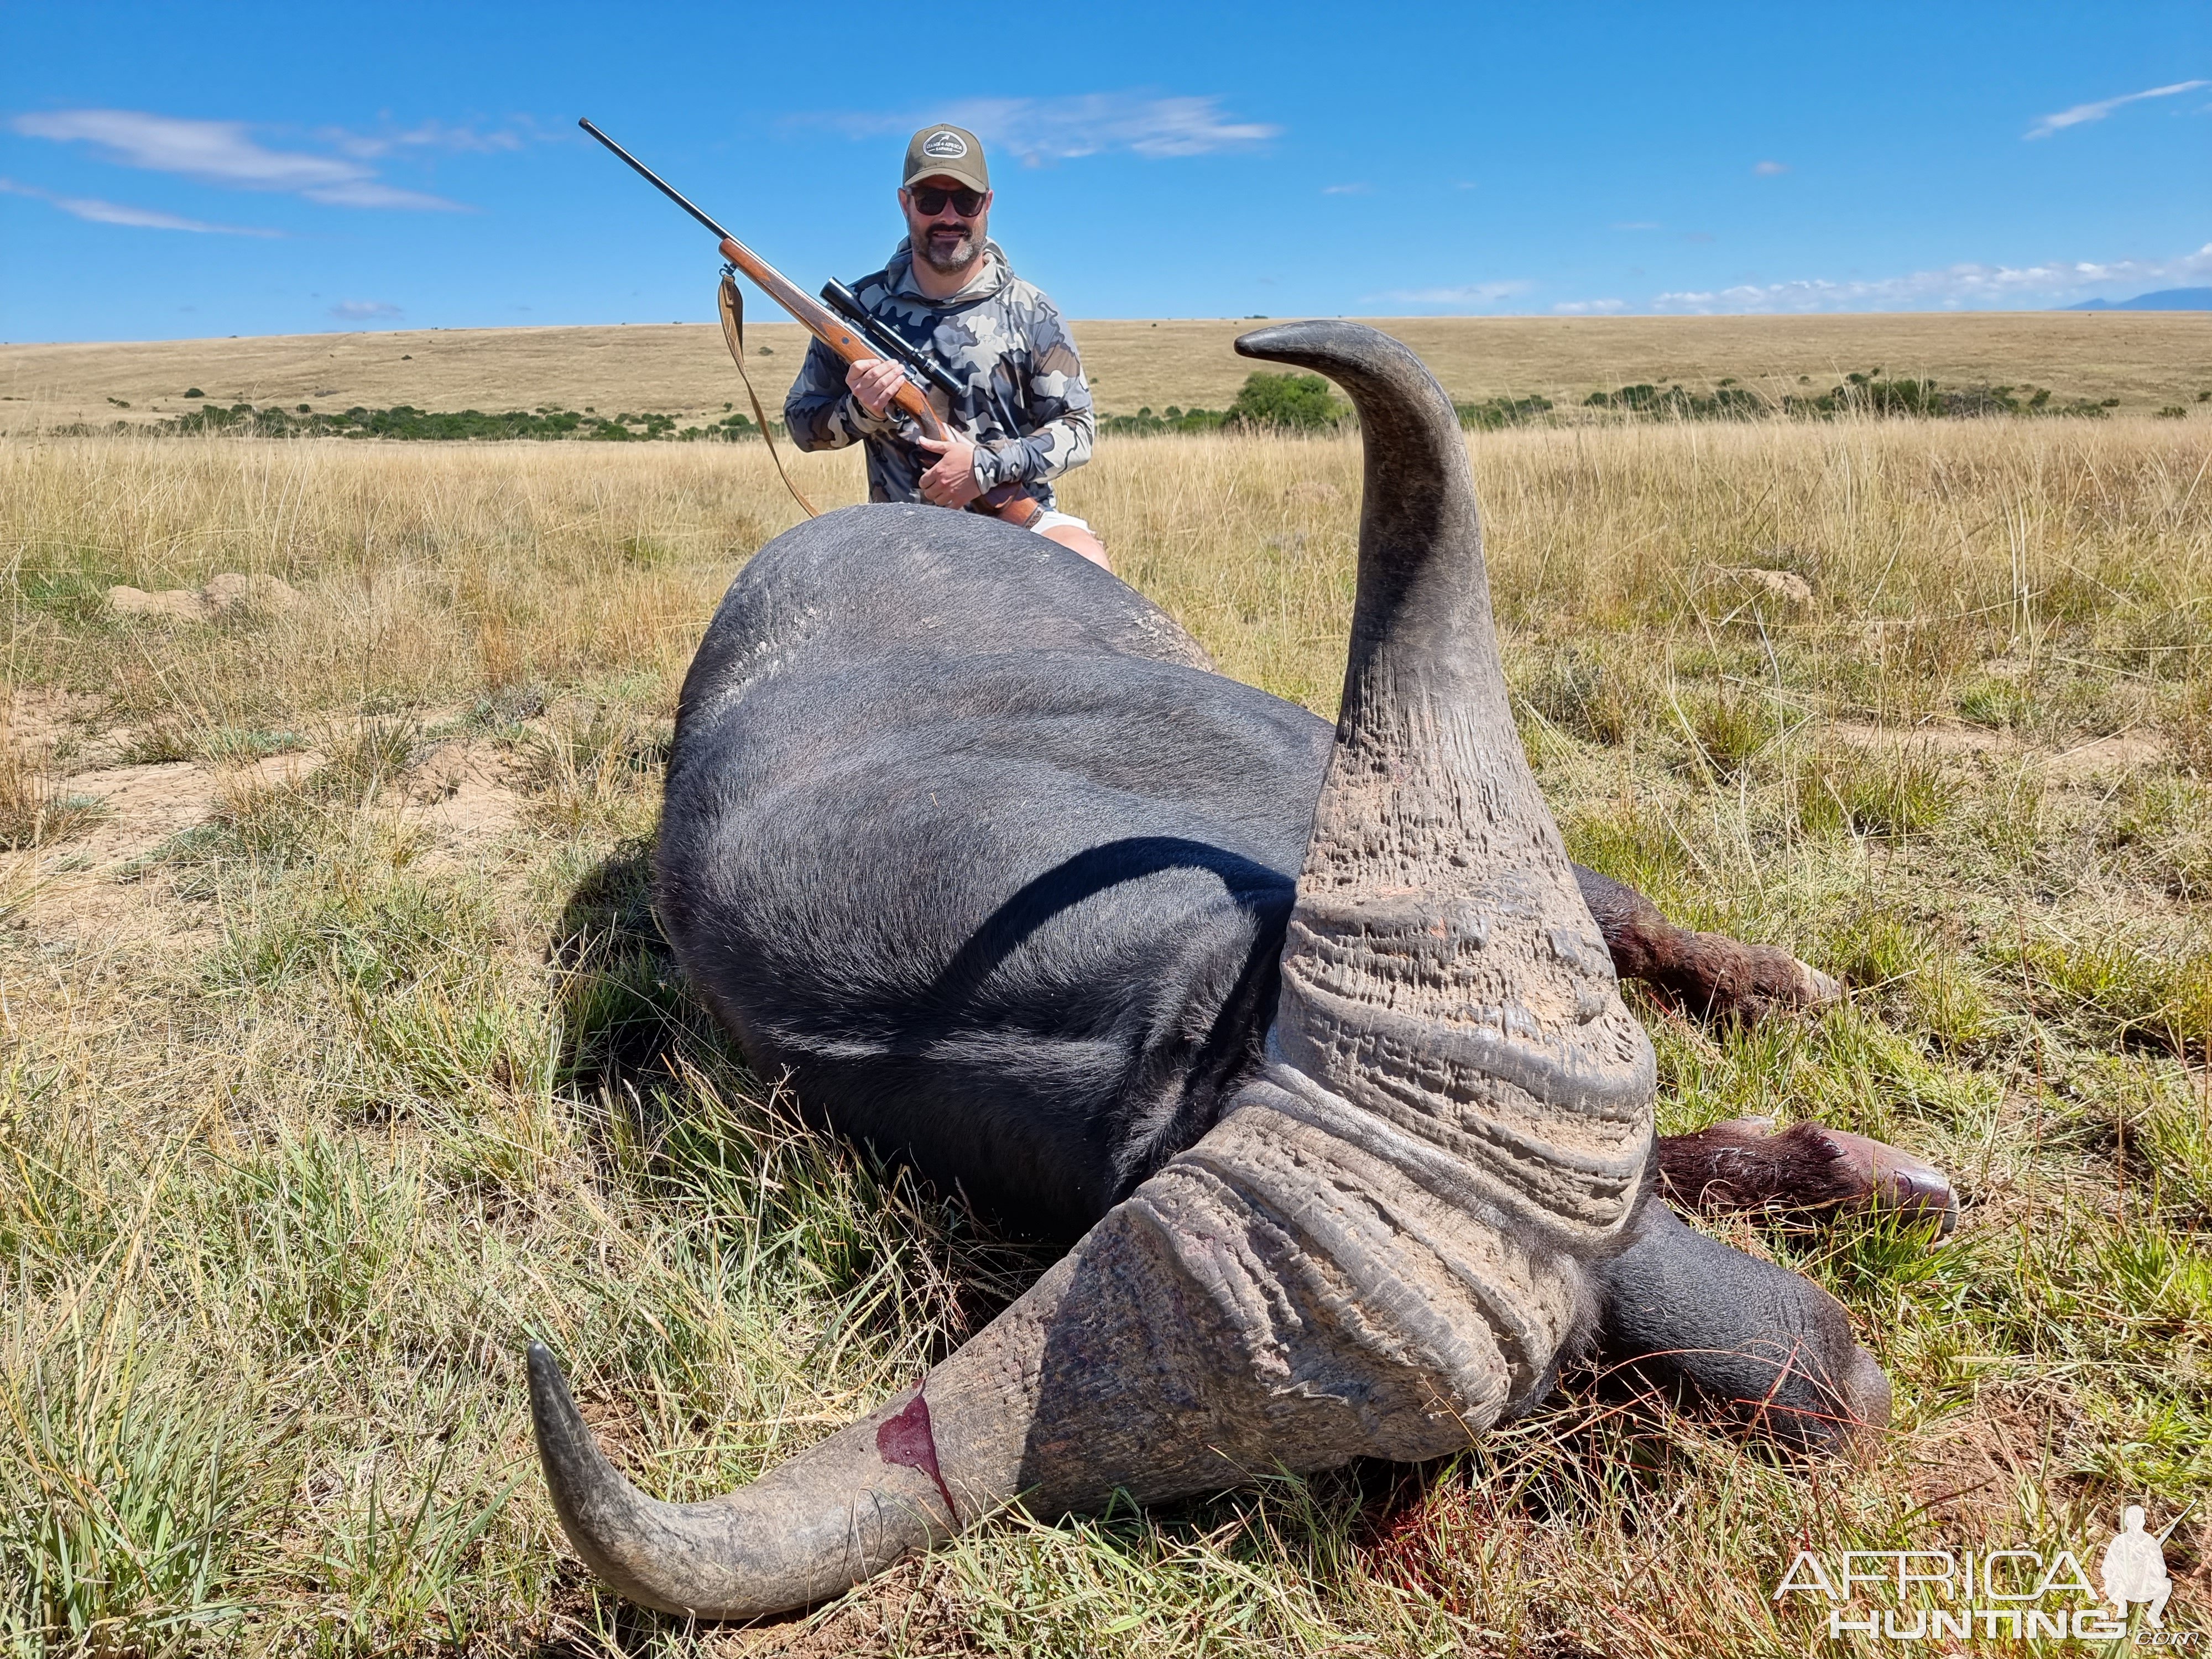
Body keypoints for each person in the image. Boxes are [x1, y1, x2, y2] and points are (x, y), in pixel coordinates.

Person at [783, 123, 1110, 570]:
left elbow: (1079, 428)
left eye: (966, 200)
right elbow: (801, 425)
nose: (949, 217)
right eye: (931, 200)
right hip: (900, 536)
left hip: (1017, 524)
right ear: (905, 204)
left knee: (1088, 561)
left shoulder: (1032, 310)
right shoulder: (858, 312)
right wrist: (862, 411)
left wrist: (982, 468)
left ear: (988, 203)